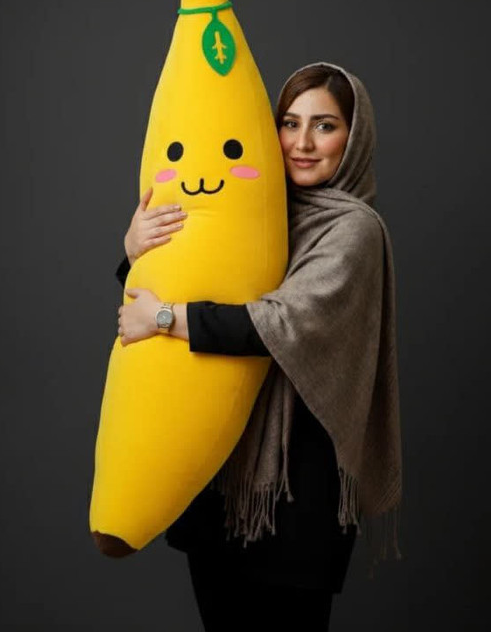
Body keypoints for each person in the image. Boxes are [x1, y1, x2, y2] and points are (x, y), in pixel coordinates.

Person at [114, 62, 402, 631]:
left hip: (296, 496)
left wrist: (166, 318)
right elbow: (183, 281)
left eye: (324, 126)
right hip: (221, 478)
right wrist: (134, 251)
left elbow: (283, 322)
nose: (301, 142)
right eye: (289, 123)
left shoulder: (354, 231)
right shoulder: (250, 209)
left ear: (354, 137)